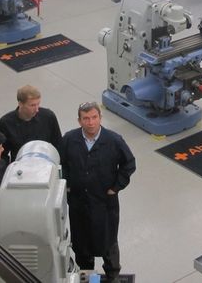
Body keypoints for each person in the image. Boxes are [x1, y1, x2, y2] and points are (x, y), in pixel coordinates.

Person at [60, 102, 136, 283]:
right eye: (86, 118)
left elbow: (129, 164)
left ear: (100, 118)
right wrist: (68, 185)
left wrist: (116, 187)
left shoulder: (114, 141)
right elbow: (62, 163)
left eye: (94, 117)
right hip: (79, 204)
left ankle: (113, 276)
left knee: (108, 243)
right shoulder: (69, 139)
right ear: (79, 121)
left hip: (104, 204)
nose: (91, 122)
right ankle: (89, 278)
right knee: (82, 246)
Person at [0, 85, 62, 162]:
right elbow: (2, 154)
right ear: (20, 104)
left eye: (38, 104)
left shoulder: (48, 117)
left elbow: (59, 145)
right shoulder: (6, 123)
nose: (37, 109)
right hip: (20, 165)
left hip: (44, 164)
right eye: (32, 105)